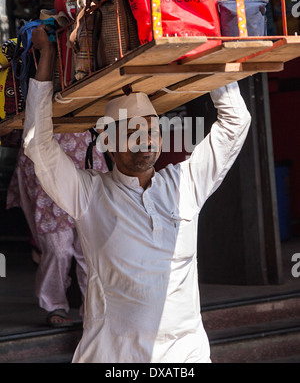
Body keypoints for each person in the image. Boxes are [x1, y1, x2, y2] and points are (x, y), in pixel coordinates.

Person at [23, 24, 251, 362]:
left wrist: (208, 48)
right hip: (114, 356)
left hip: (184, 353)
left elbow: (236, 123)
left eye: (150, 130)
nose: (144, 140)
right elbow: (38, 146)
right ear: (109, 145)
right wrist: (46, 62)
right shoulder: (89, 195)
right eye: (131, 132)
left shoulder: (184, 183)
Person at [6, 130, 107, 327]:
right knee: (57, 248)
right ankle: (54, 304)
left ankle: (94, 309)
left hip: (85, 156)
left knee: (90, 249)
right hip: (44, 161)